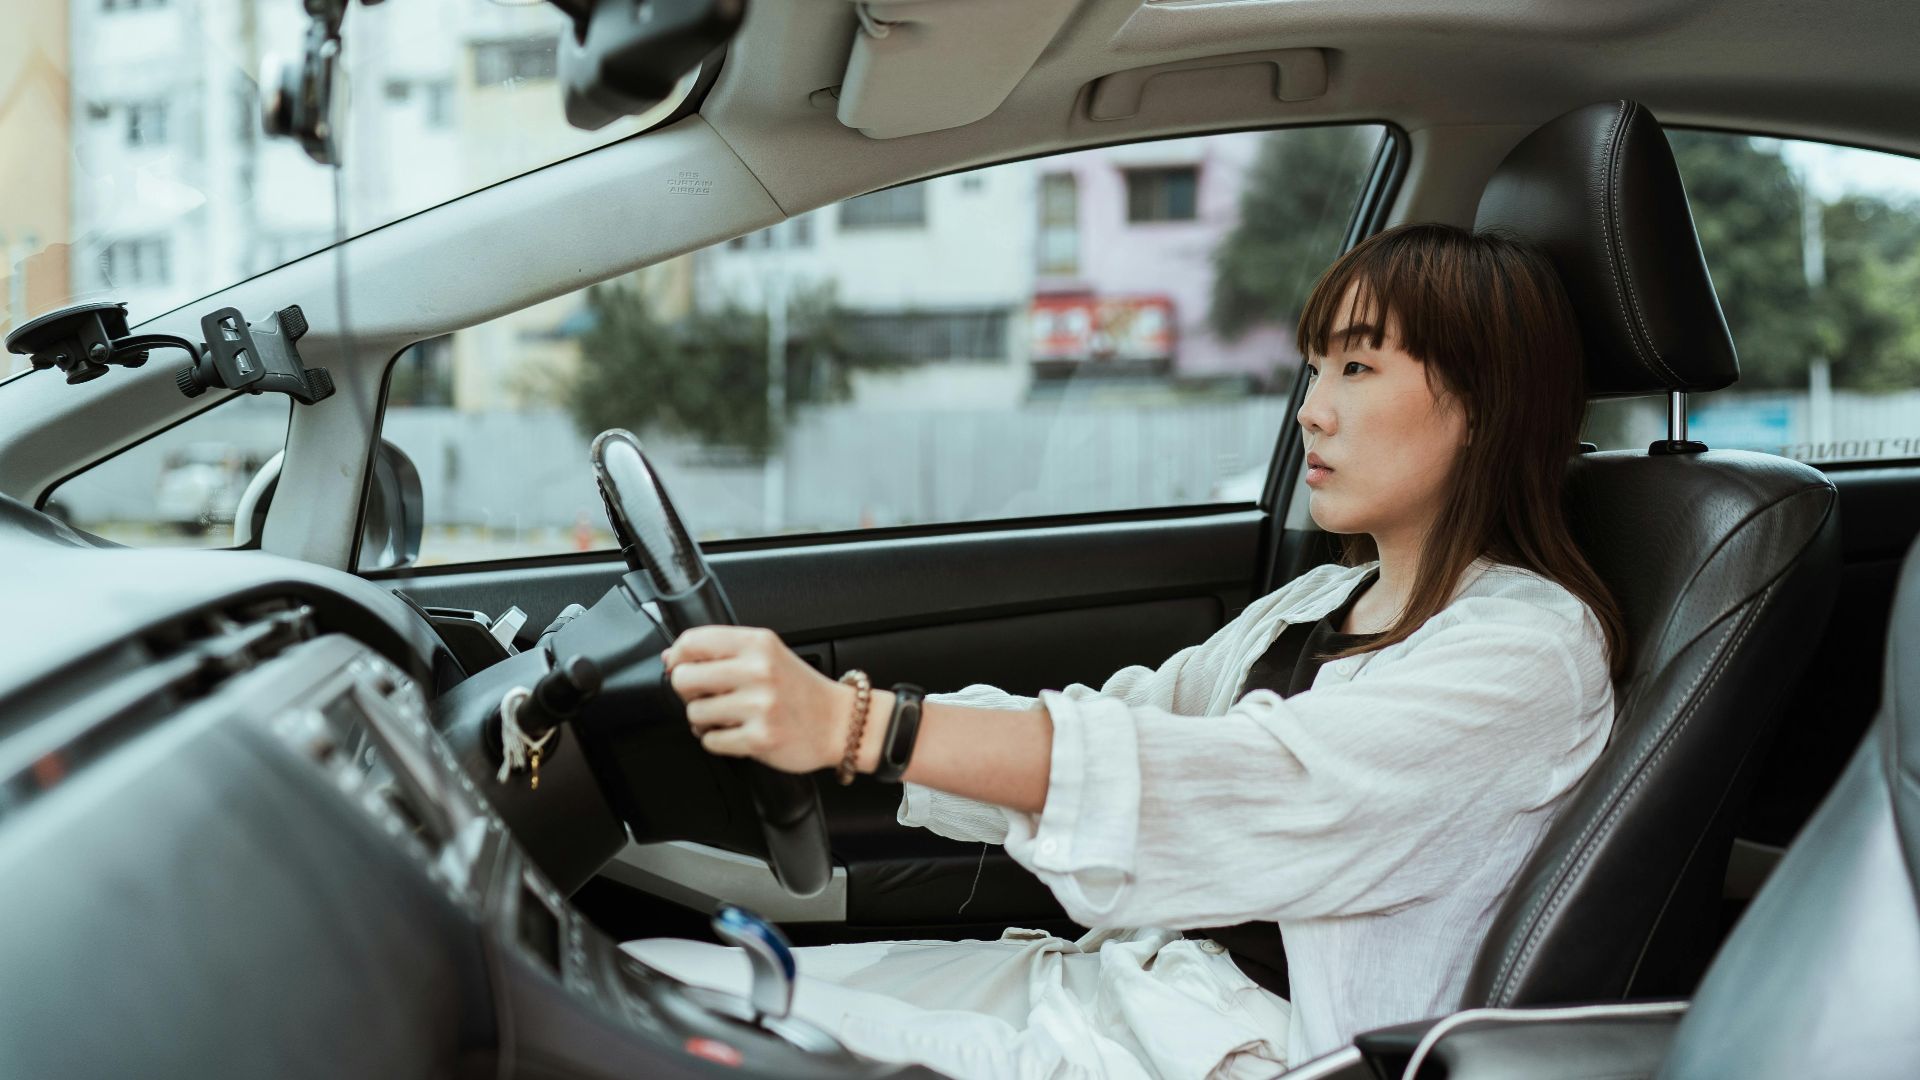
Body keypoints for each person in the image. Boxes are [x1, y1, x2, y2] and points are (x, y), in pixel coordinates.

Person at [627, 222, 1625, 1078]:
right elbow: (1136, 716)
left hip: (1235, 1052)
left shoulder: (1528, 654)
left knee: (658, 1035)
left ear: (1484, 404)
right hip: (1128, 989)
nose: (1310, 409)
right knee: (654, 985)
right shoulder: (1326, 598)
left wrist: (861, 728)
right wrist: (838, 723)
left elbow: (1228, 781)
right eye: (1315, 368)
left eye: (1357, 368)